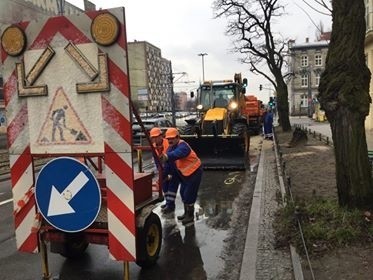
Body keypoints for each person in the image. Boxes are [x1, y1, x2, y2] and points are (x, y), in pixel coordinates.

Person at [160, 127, 203, 225]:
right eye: (168, 138)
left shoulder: (183, 145)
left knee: (189, 195)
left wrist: (167, 157)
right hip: (185, 175)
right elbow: (168, 163)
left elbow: (178, 154)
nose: (170, 140)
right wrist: (164, 175)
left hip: (195, 172)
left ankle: (190, 215)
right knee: (183, 193)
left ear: (178, 137)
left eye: (172, 138)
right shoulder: (171, 148)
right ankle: (186, 213)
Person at [149, 127, 179, 214]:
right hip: (164, 169)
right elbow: (156, 160)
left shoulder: (169, 143)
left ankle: (170, 205)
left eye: (156, 137)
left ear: (161, 136)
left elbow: (173, 157)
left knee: (172, 187)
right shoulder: (154, 147)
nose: (154, 139)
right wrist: (160, 170)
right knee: (165, 186)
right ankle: (167, 202)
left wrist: (168, 171)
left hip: (173, 168)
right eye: (153, 137)